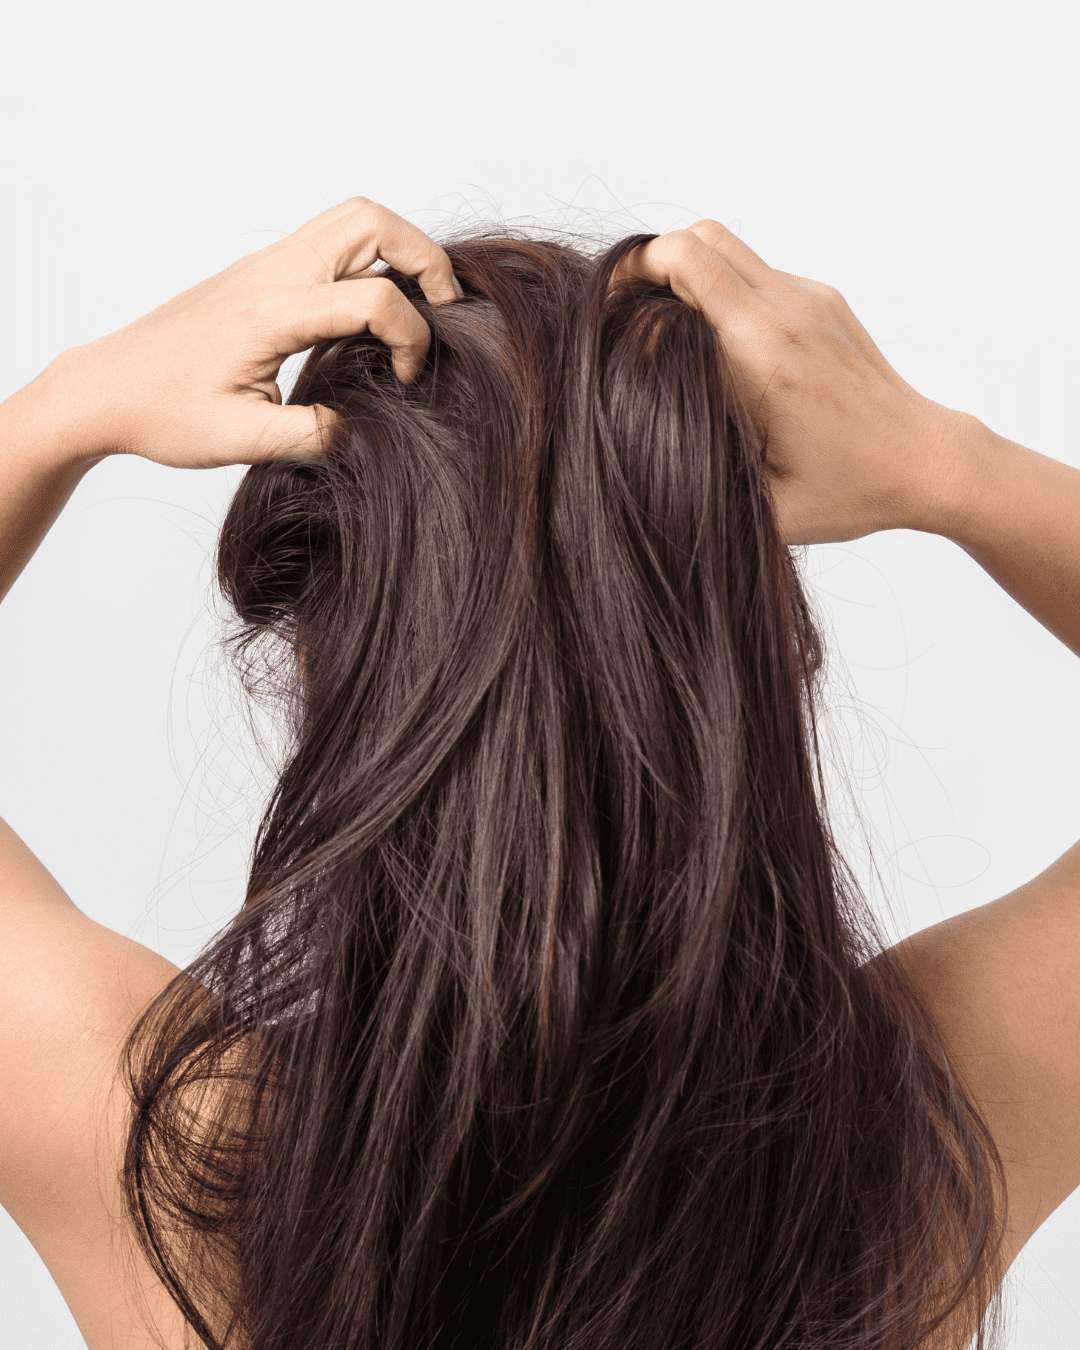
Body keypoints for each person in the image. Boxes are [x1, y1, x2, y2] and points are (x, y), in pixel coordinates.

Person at [0, 196, 1076, 1350]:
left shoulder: (171, 1169)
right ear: (759, 654)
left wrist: (70, 403)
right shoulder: (912, 1155)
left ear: (339, 674)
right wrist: (949, 464)